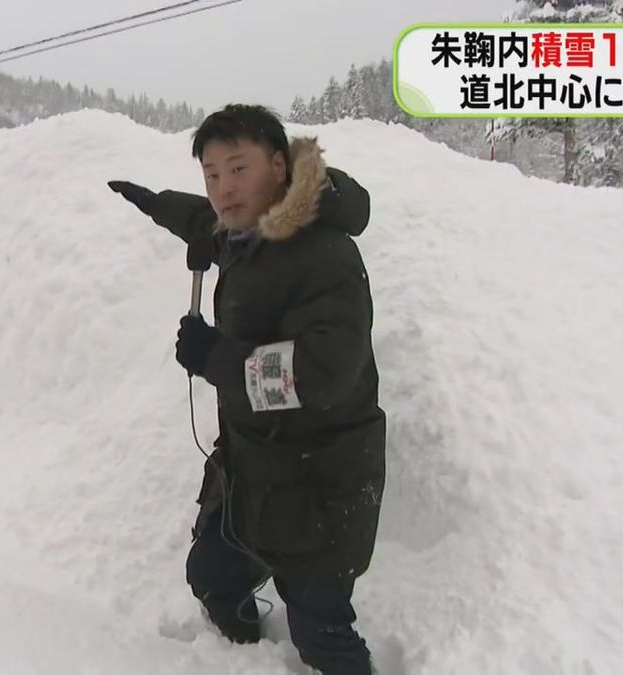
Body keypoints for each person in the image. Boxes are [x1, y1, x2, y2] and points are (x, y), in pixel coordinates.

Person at [108, 104, 385, 675]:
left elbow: (324, 372)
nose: (223, 189)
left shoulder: (323, 254)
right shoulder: (246, 231)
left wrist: (218, 359)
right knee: (211, 575)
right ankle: (241, 659)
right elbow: (204, 222)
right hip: (254, 472)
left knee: (322, 636)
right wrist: (157, 203)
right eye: (210, 175)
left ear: (279, 166)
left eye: (238, 169)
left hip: (317, 484)